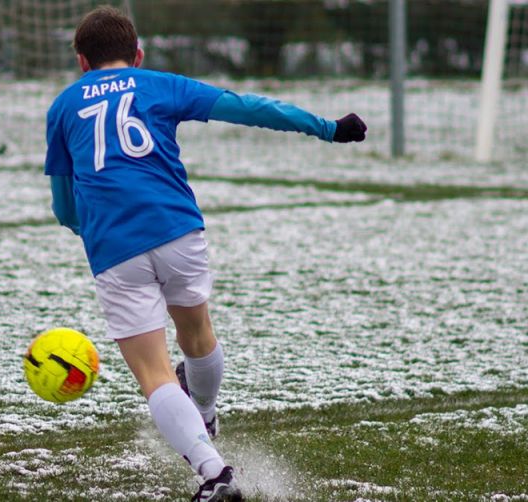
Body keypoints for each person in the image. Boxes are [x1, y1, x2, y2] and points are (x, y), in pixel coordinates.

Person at [44, 6, 366, 501]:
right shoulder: (161, 84)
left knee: (154, 372)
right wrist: (327, 127)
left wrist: (85, 225)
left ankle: (215, 474)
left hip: (115, 248)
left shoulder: (64, 107)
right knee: (197, 332)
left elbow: (64, 205)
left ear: (82, 62)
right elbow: (248, 107)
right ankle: (207, 414)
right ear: (138, 55)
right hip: (178, 231)